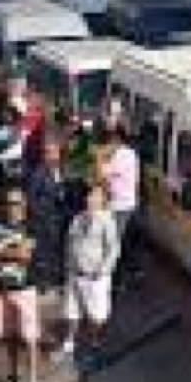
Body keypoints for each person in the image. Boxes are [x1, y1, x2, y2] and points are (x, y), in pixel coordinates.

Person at [0, 189, 44, 382]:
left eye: (17, 203)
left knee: (30, 337)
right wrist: (9, 251)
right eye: (9, 203)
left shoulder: (32, 226)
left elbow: (25, 255)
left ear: (24, 204)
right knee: (8, 336)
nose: (12, 207)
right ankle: (13, 377)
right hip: (1, 288)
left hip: (25, 289)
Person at [57, 185, 119, 366]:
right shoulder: (78, 218)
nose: (90, 199)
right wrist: (67, 267)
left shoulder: (107, 221)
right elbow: (69, 243)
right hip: (75, 274)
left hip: (95, 277)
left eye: (95, 196)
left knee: (96, 314)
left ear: (103, 201)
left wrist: (102, 270)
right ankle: (68, 344)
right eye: (90, 195)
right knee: (72, 311)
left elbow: (113, 249)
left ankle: (94, 346)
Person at [98, 123, 141, 289]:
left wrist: (101, 156)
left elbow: (102, 174)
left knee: (114, 245)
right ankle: (130, 273)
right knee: (126, 243)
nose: (108, 143)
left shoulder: (120, 156)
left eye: (110, 140)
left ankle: (116, 281)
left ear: (116, 139)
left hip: (119, 206)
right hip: (129, 203)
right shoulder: (131, 154)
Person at [26, 135, 70, 294]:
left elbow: (67, 192)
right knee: (43, 254)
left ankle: (59, 281)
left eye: (54, 152)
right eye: (49, 153)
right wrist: (41, 215)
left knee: (60, 251)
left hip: (61, 218)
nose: (52, 156)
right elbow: (31, 199)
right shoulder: (38, 173)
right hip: (44, 220)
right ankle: (42, 283)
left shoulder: (62, 170)